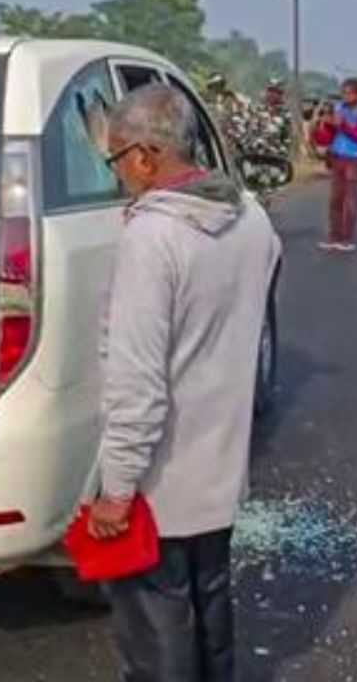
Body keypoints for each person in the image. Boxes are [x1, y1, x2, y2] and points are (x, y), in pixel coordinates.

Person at [91, 84, 282, 682]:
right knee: (211, 608)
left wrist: (117, 487)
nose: (118, 174)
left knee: (158, 630)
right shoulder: (248, 217)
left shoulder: (154, 239)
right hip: (221, 469)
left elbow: (138, 383)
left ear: (146, 157)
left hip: (160, 482)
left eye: (116, 159)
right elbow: (266, 266)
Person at [318, 78, 357, 252]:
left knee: (350, 198)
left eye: (349, 93)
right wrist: (327, 125)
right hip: (337, 154)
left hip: (354, 156)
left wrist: (343, 126)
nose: (346, 97)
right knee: (335, 198)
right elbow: (332, 132)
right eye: (344, 93)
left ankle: (347, 238)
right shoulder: (338, 108)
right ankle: (334, 236)